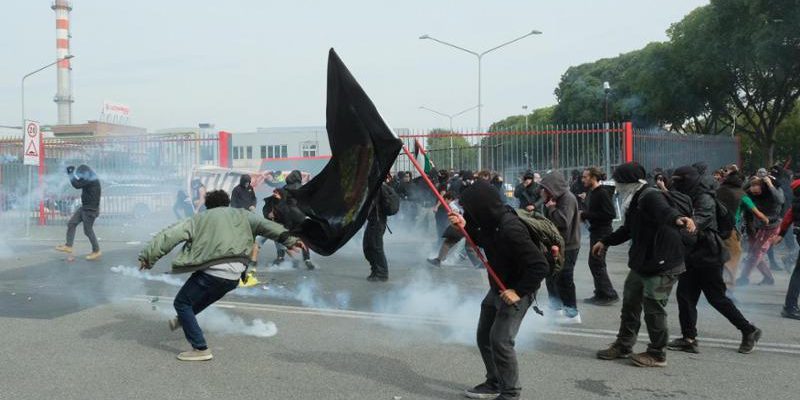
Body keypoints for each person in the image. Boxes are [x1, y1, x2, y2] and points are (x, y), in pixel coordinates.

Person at [138, 190, 304, 361]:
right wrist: (290, 240)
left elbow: (169, 236)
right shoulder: (244, 215)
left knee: (182, 302)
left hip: (212, 272)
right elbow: (267, 226)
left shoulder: (199, 219)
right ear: (227, 203)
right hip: (234, 277)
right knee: (198, 301)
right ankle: (183, 320)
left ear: (207, 206)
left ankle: (200, 348)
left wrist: (148, 257)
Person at [449, 180, 549, 400]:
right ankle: (494, 382)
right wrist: (464, 226)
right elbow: (482, 239)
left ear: (481, 207)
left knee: (501, 341)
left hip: (517, 290)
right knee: (484, 336)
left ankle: (510, 393)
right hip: (498, 287)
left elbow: (540, 266)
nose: (467, 212)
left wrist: (518, 292)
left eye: (469, 209)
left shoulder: (511, 228)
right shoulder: (490, 222)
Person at [593, 162, 696, 368]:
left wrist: (679, 219)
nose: (617, 186)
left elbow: (666, 211)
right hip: (644, 262)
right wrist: (605, 241)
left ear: (629, 182)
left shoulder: (650, 196)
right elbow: (628, 229)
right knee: (630, 304)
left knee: (653, 309)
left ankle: (657, 354)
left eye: (619, 182)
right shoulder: (635, 198)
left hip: (662, 262)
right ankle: (624, 345)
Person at [668, 166, 762, 355]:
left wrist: (683, 224)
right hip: (692, 254)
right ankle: (689, 339)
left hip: (708, 254)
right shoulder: (688, 195)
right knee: (685, 296)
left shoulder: (704, 197)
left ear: (689, 180)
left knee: (716, 298)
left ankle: (748, 330)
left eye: (679, 181)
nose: (676, 185)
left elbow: (699, 221)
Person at [539, 171, 582, 323]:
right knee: (552, 277)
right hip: (556, 244)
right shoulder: (555, 198)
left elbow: (563, 222)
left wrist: (551, 208)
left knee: (565, 279)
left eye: (545, 188)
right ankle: (555, 308)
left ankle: (572, 314)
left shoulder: (567, 198)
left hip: (568, 246)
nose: (543, 191)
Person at [580, 167, 619, 305]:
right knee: (594, 262)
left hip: (603, 232)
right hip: (596, 231)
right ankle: (601, 293)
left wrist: (586, 215)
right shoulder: (593, 192)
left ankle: (609, 294)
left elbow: (610, 214)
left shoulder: (602, 193)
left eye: (585, 177)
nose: (583, 180)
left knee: (597, 262)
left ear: (593, 177)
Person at [737, 175, 784, 286]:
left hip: (772, 227)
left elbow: (780, 200)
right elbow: (741, 192)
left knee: (756, 253)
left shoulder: (773, 193)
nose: (754, 192)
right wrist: (750, 181)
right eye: (753, 189)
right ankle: (768, 278)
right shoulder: (752, 192)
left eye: (757, 189)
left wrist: (770, 184)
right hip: (759, 226)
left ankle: (744, 277)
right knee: (755, 253)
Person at [55, 164, 102, 260]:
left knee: (88, 231)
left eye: (80, 174)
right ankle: (68, 246)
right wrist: (71, 174)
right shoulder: (88, 177)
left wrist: (71, 173)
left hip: (90, 210)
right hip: (85, 207)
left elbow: (77, 185)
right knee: (72, 223)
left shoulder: (91, 179)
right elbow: (78, 182)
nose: (79, 176)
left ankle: (96, 251)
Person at [771, 176, 800, 320]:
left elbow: (789, 215)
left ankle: (790, 306)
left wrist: (782, 233)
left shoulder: (796, 198)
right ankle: (790, 307)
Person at [365, 177, 399, 282]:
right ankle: (375, 270)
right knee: (368, 247)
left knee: (376, 247)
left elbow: (371, 205)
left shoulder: (378, 188)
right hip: (375, 221)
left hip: (377, 221)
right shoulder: (377, 187)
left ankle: (382, 274)